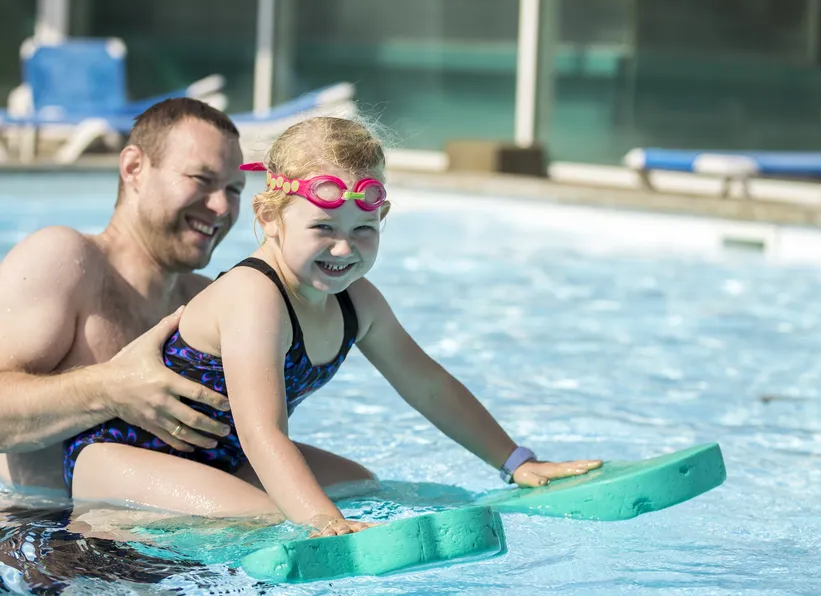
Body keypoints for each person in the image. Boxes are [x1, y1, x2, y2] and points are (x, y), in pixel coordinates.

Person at [64, 116, 602, 537]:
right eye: (323, 226)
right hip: (126, 459)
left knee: (365, 489)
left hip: (222, 458)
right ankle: (116, 533)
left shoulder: (356, 302)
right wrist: (323, 525)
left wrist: (516, 462)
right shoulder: (255, 296)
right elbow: (262, 430)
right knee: (275, 521)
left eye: (364, 229)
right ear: (270, 217)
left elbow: (428, 384)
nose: (344, 248)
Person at [0, 98, 246, 495]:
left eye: (233, 189)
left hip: (166, 541)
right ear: (134, 168)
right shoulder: (65, 260)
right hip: (44, 537)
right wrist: (107, 390)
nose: (221, 207)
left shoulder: (205, 302)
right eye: (201, 179)